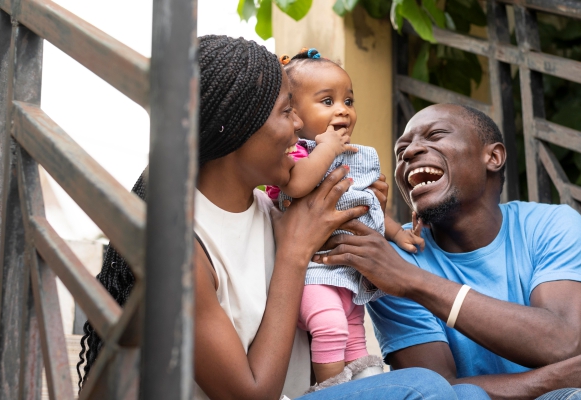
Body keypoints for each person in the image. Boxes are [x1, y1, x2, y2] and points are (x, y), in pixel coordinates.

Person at [77, 37, 490, 400]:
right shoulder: (182, 251)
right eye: (286, 110)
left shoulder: (271, 212)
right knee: (426, 388)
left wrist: (367, 210)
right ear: (236, 129)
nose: (299, 124)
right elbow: (251, 395)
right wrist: (295, 252)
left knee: (468, 395)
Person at [315, 103, 581, 399]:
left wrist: (412, 281)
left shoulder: (549, 225)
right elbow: (436, 392)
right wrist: (557, 378)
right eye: (401, 151)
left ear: (493, 157)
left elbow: (562, 342)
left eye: (435, 135)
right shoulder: (391, 264)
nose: (409, 153)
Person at [265, 48, 424, 389]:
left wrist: (397, 233)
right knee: (330, 328)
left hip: (349, 277)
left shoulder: (355, 156)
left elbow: (367, 206)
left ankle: (367, 389)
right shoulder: (295, 154)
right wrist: (327, 149)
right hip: (313, 274)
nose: (343, 110)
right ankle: (333, 394)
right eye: (327, 101)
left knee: (355, 338)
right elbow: (297, 184)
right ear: (294, 114)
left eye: (348, 101)